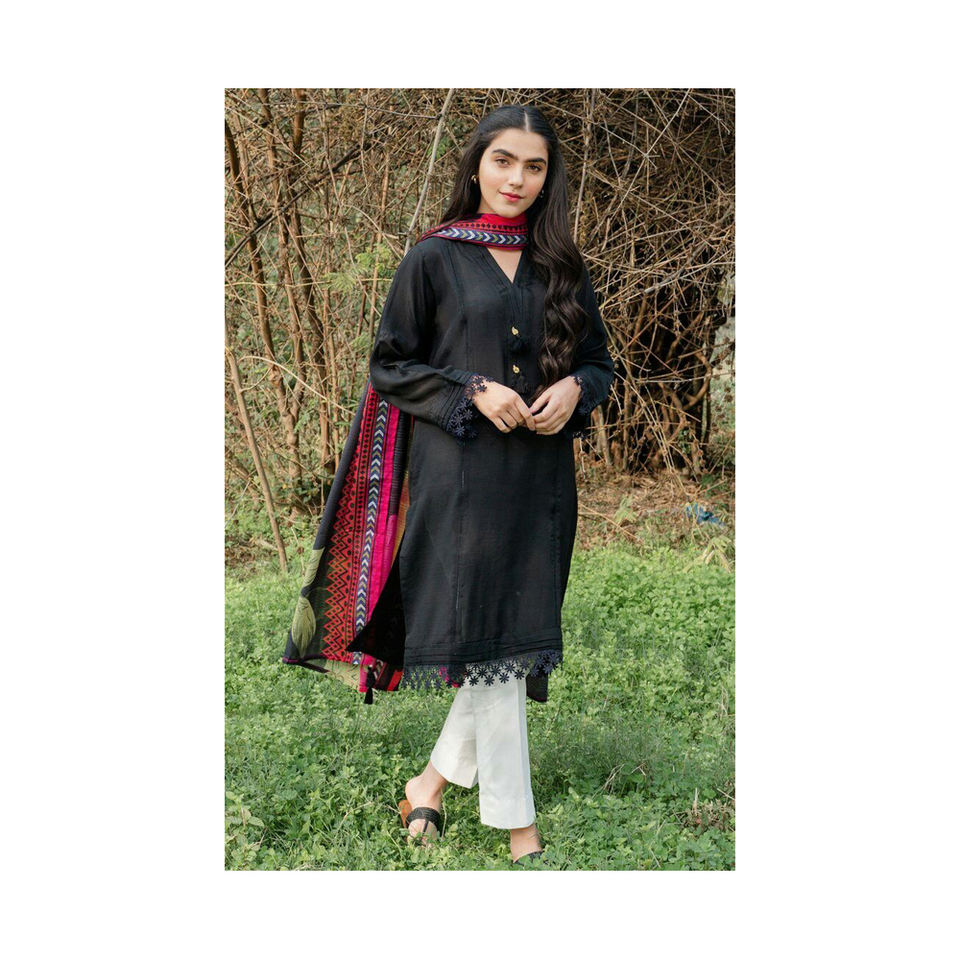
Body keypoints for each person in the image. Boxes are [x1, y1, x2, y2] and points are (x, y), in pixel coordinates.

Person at [365, 104, 616, 866]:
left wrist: (575, 388)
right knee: (497, 643)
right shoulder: (434, 258)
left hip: (540, 482)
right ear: (477, 164)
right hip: (460, 480)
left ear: (549, 177)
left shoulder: (560, 264)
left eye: (534, 166)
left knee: (508, 636)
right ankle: (519, 830)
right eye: (504, 160)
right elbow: (390, 364)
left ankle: (429, 783)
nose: (517, 179)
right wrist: (471, 387)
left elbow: (599, 364)